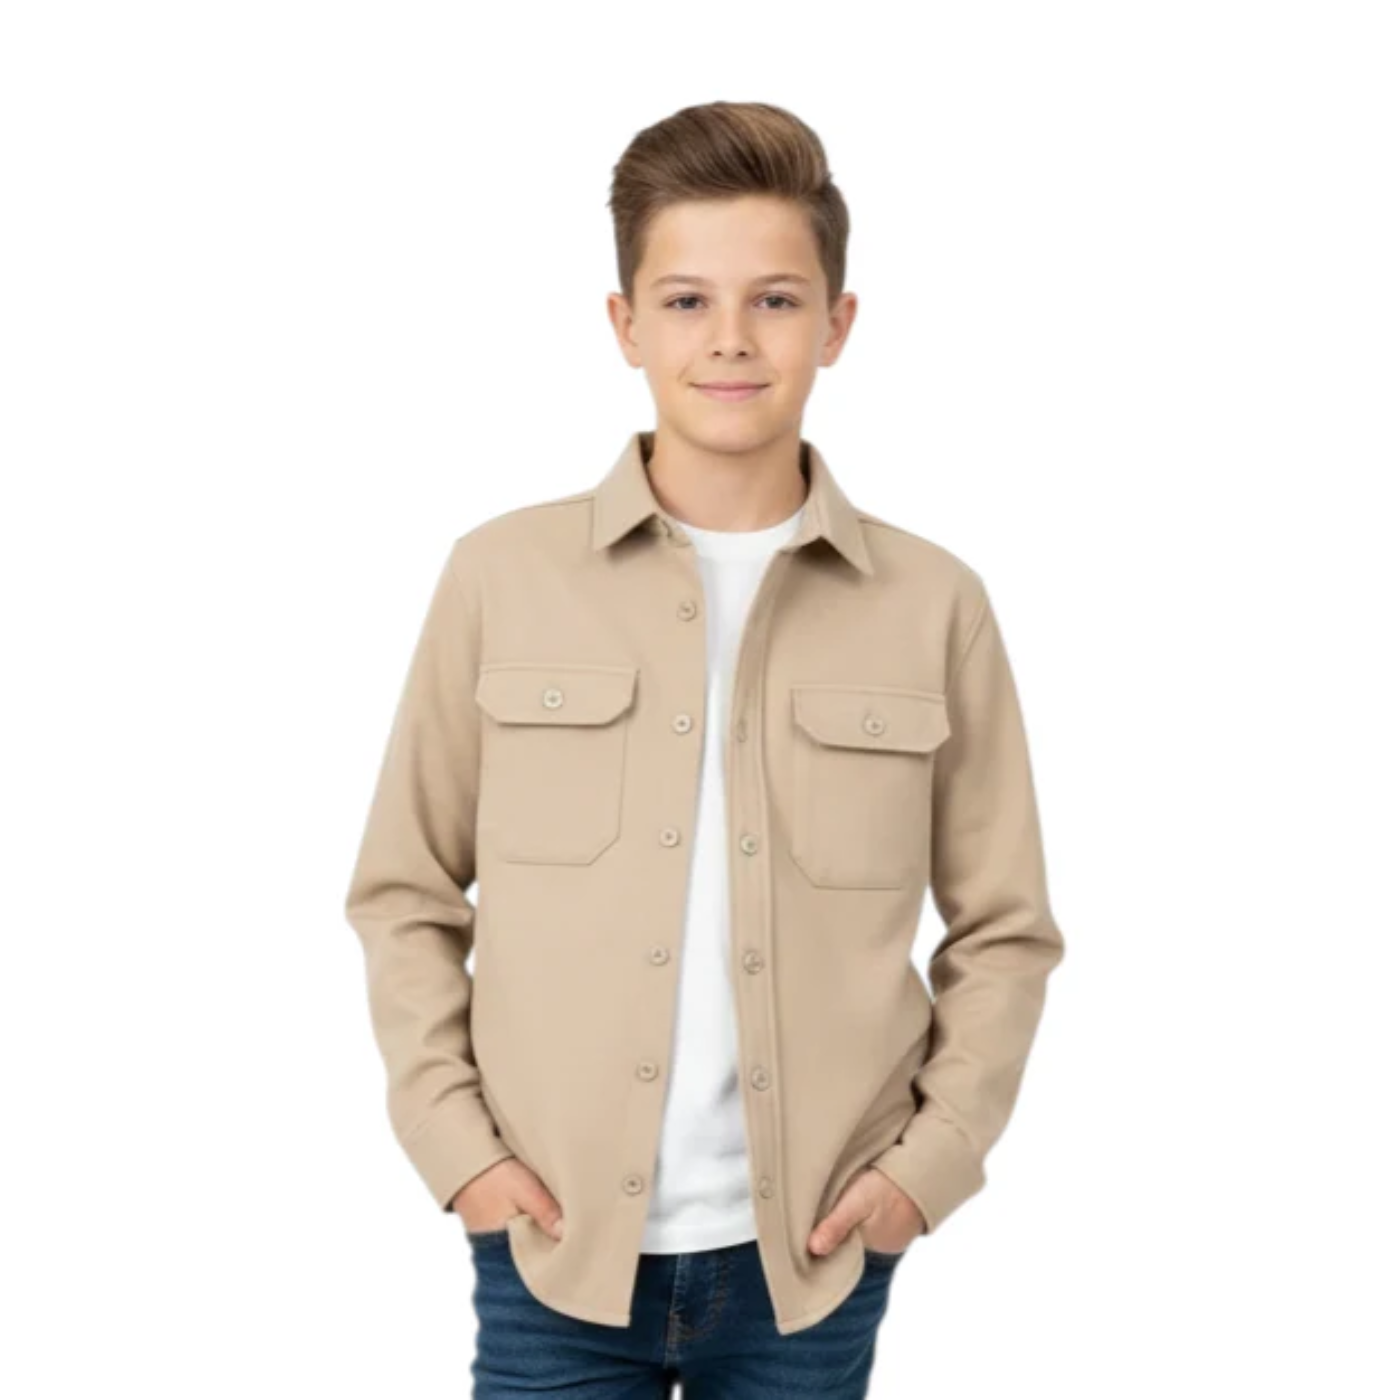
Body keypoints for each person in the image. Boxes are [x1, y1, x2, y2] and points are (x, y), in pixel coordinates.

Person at [344, 99, 1066, 1399]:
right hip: (552, 1247)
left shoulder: (933, 603)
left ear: (838, 324)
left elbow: (1005, 929)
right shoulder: (500, 577)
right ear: (624, 324)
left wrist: (928, 1168)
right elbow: (403, 891)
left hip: (813, 1262)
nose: (731, 337)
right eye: (686, 301)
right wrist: (460, 1152)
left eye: (775, 300)